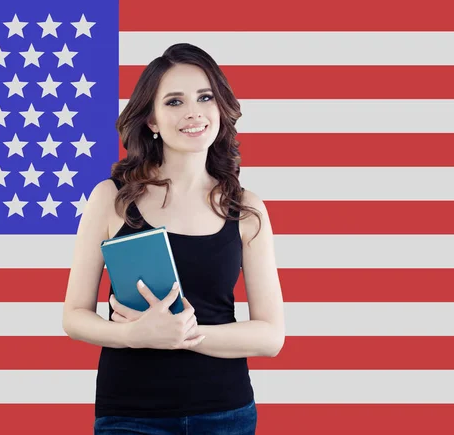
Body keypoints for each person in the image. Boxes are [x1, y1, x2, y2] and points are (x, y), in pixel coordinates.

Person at [62, 43, 285, 435]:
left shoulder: (247, 209)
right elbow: (74, 317)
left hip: (226, 414)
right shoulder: (110, 199)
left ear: (220, 107)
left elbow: (270, 336)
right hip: (130, 414)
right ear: (151, 120)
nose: (194, 112)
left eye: (204, 97)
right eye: (174, 101)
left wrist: (182, 336)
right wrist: (132, 335)